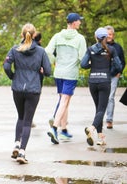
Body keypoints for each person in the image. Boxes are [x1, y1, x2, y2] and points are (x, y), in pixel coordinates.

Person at [3, 23, 51, 164]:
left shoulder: (15, 49)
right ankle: (22, 152)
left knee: (20, 117)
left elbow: (6, 65)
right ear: (34, 35)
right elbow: (48, 71)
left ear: (22, 35)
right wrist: (41, 71)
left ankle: (16, 143)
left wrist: (13, 76)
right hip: (33, 89)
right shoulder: (41, 51)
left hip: (17, 88)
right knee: (28, 121)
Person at [45, 13, 87, 144]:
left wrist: (55, 61)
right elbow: (82, 57)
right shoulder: (80, 39)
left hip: (59, 72)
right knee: (64, 101)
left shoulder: (57, 36)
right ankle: (55, 128)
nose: (80, 23)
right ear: (74, 23)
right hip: (70, 74)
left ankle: (63, 131)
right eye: (79, 21)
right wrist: (78, 64)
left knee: (64, 101)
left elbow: (47, 51)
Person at [81, 27, 122, 146]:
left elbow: (83, 65)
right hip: (105, 81)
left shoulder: (90, 49)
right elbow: (118, 66)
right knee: (101, 109)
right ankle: (92, 128)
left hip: (93, 82)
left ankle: (100, 137)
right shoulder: (111, 49)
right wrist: (109, 70)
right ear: (106, 37)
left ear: (96, 37)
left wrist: (92, 64)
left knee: (98, 109)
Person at [104, 25, 125, 129]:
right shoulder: (100, 46)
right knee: (102, 98)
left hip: (114, 76)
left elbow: (122, 61)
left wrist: (119, 72)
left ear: (113, 35)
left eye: (110, 34)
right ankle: (99, 119)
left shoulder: (118, 47)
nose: (109, 36)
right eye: (107, 34)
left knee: (110, 97)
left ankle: (109, 120)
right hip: (103, 75)